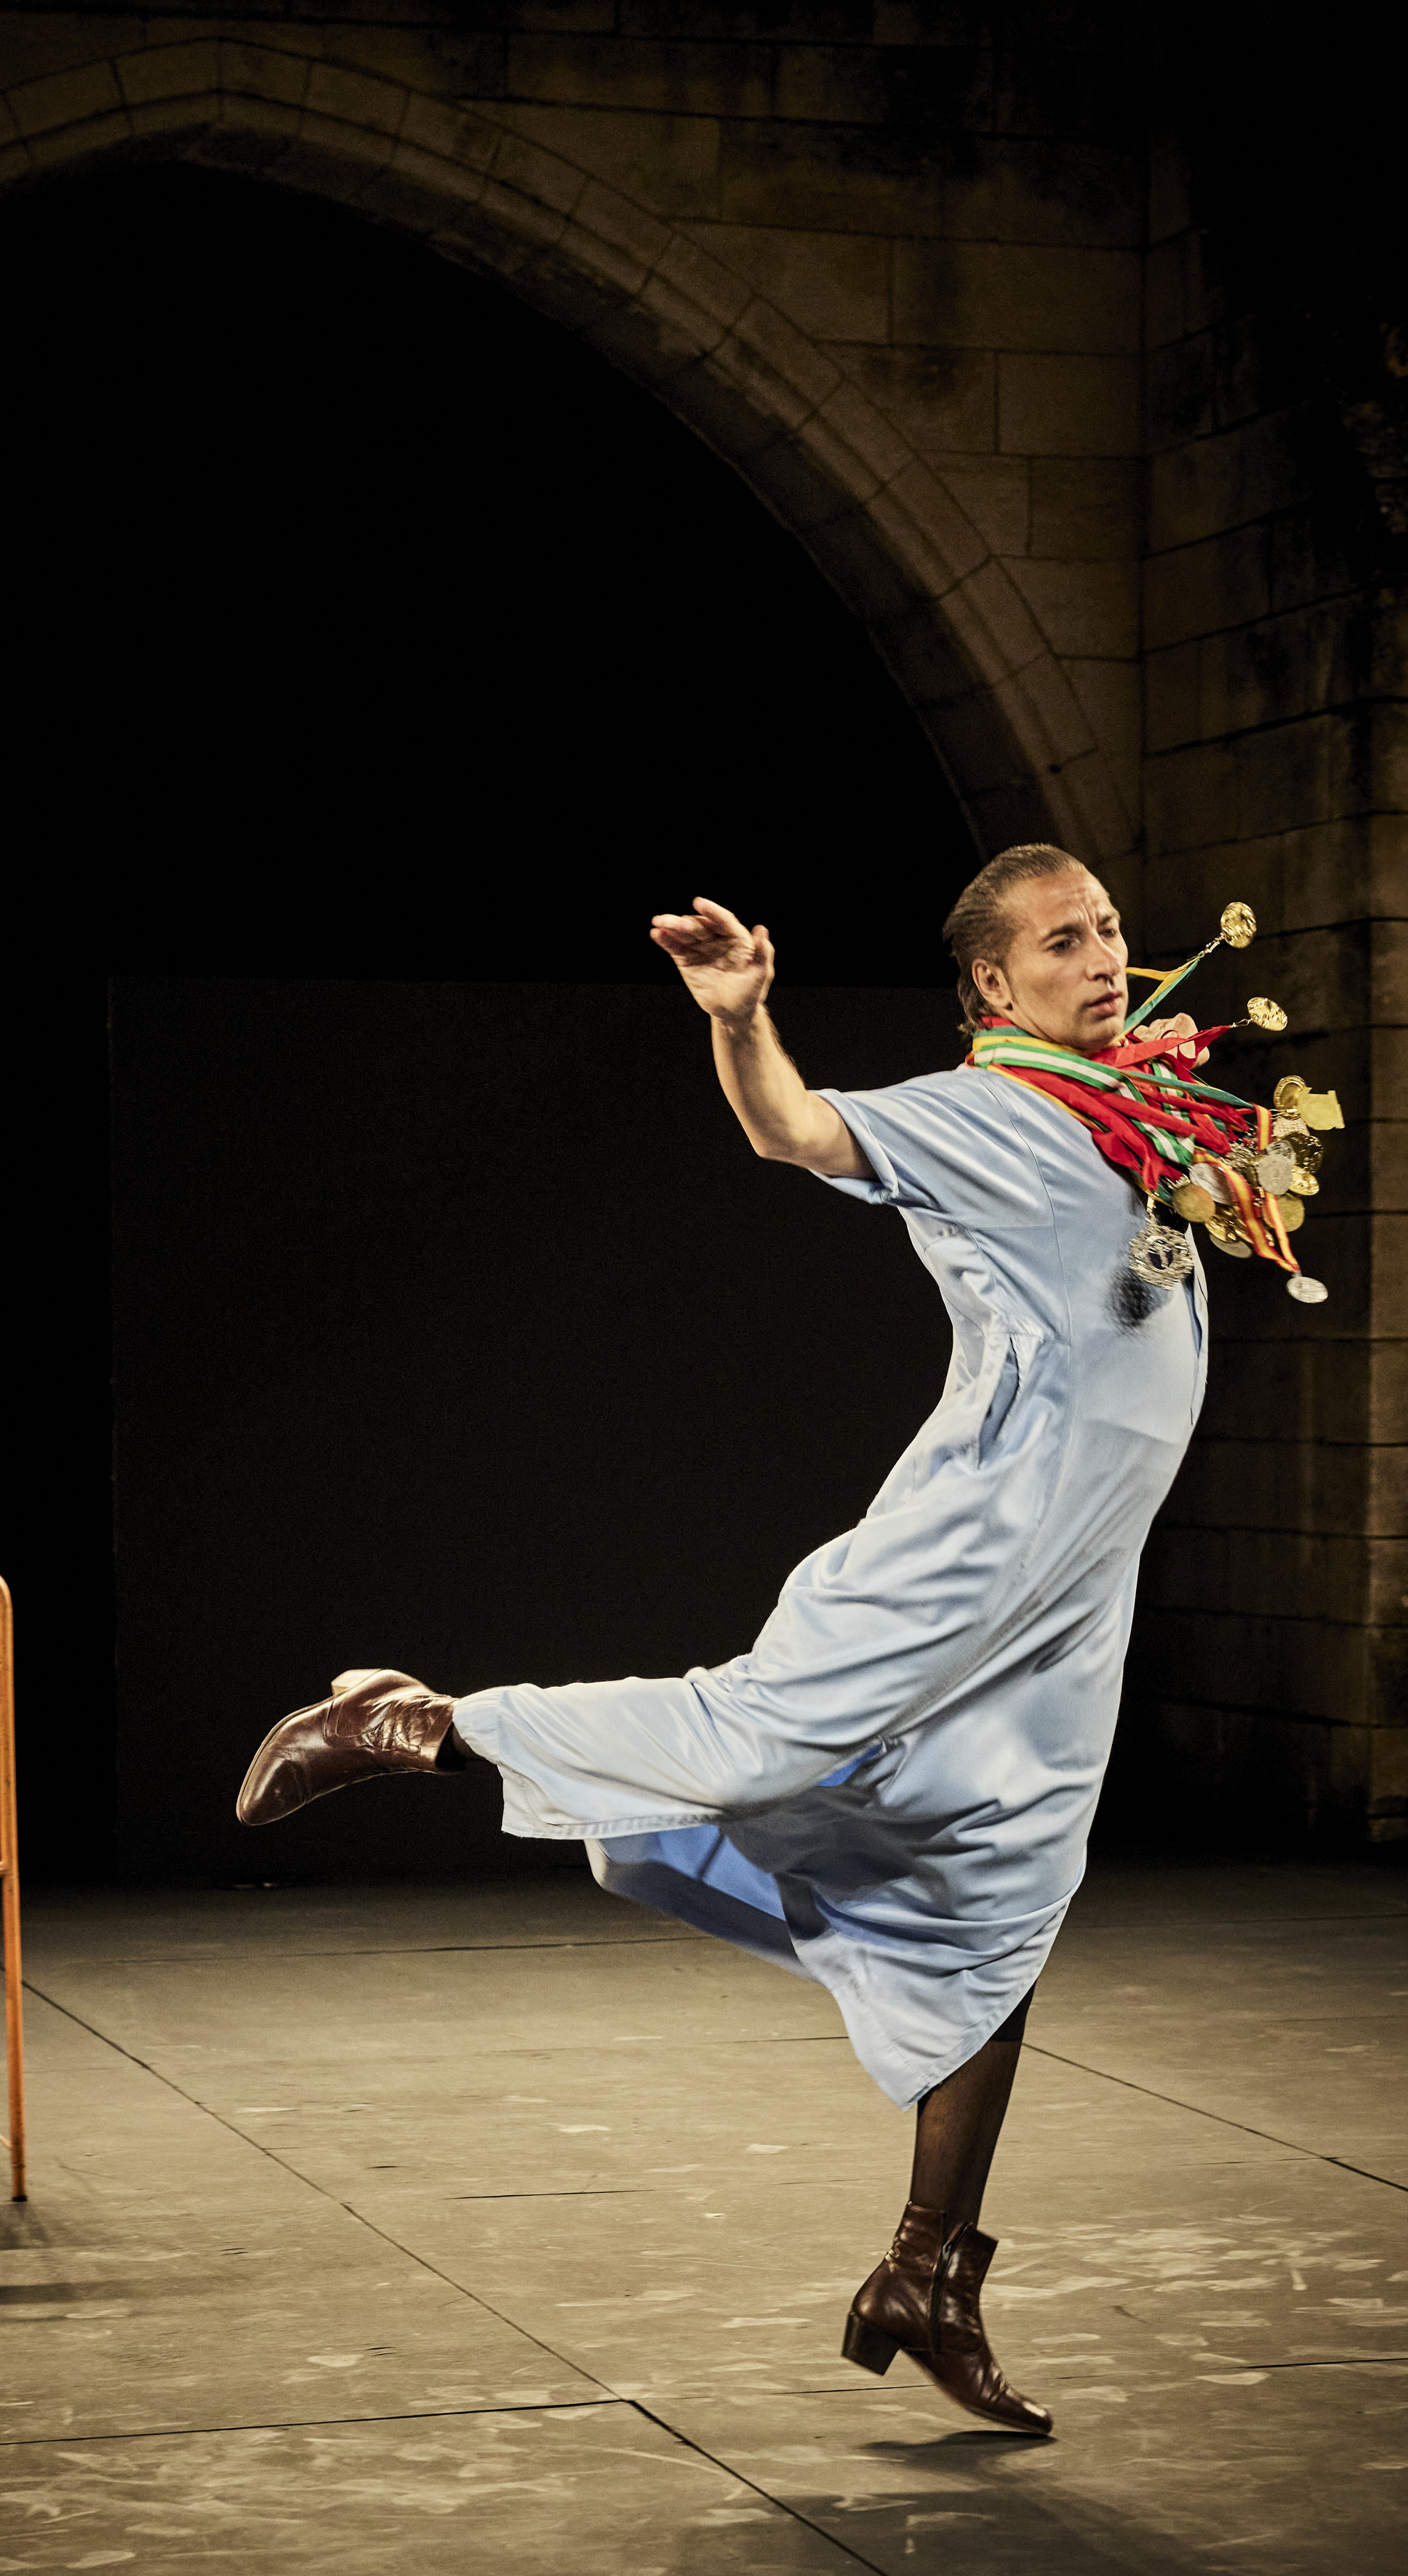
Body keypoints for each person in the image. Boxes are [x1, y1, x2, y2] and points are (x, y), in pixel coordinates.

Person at [236, 844, 1216, 2439]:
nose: (1104, 955)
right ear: (993, 987)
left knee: (1010, 1897)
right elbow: (796, 1127)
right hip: (967, 1549)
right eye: (1063, 940)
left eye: (1110, 927)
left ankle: (928, 2271)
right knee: (754, 1736)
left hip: (1068, 1594)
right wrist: (740, 1016)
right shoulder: (994, 1110)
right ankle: (413, 1719)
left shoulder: (1138, 1113)